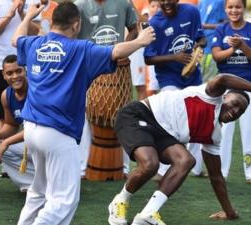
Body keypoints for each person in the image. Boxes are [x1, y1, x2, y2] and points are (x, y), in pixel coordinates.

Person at [12, 2, 155, 224]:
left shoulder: (35, 43)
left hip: (30, 129)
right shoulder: (80, 49)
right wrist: (140, 41)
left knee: (38, 192)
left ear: (53, 22)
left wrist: (28, 16)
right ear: (76, 24)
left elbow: (15, 40)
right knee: (63, 201)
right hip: (57, 133)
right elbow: (116, 51)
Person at [108, 74, 251, 225]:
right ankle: (120, 201)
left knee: (186, 160)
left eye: (240, 111)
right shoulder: (211, 94)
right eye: (235, 104)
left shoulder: (214, 135)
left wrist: (229, 211)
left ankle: (148, 214)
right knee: (150, 164)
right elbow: (224, 79)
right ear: (224, 96)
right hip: (139, 114)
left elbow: (216, 176)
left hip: (163, 133)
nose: (235, 111)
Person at [74, 0, 139, 178]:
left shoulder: (123, 3)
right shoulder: (79, 5)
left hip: (117, 66)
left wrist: (124, 49)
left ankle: (124, 167)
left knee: (124, 115)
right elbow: (70, 34)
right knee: (86, 116)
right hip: (89, 66)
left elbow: (134, 29)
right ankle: (82, 167)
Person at [144, 0, 206, 179]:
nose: (165, 3)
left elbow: (201, 37)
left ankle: (195, 166)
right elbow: (149, 58)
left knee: (197, 118)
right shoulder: (155, 23)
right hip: (169, 78)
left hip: (192, 76)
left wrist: (199, 46)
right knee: (169, 119)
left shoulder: (191, 12)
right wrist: (175, 57)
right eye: (161, 0)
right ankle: (163, 168)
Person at [211, 0, 251, 185]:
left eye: (238, 6)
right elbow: (217, 56)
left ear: (243, 8)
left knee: (250, 129)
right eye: (230, 7)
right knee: (224, 130)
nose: (234, 10)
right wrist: (234, 48)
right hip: (225, 84)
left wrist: (242, 45)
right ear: (225, 9)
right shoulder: (220, 29)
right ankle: (221, 171)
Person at [0, 54, 34, 192]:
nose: (15, 76)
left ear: (25, 70)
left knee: (5, 144)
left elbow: (36, 130)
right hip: (33, 141)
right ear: (3, 75)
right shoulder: (6, 95)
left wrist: (7, 142)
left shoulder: (36, 90)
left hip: (49, 142)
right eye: (9, 73)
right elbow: (12, 125)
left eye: (18, 71)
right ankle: (31, 184)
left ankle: (50, 179)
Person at [198, 0, 226, 80]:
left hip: (213, 46)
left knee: (210, 79)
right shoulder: (202, 1)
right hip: (200, 46)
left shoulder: (220, 2)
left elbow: (226, 24)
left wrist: (206, 26)